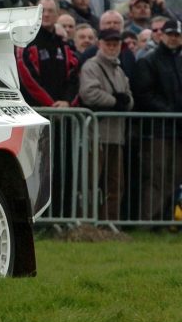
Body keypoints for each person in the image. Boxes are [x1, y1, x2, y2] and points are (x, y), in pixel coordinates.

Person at [17, 0, 80, 218]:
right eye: (43, 11)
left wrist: (67, 103)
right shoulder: (27, 44)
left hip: (64, 118)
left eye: (51, 11)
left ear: (57, 14)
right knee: (40, 169)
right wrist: (50, 104)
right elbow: (28, 79)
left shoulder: (65, 45)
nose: (47, 15)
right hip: (40, 116)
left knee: (64, 168)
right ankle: (40, 217)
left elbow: (75, 75)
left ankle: (62, 215)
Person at [130, 19, 182, 221]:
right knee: (155, 178)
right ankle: (149, 221)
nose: (173, 38)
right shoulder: (148, 61)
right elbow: (144, 94)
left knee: (174, 178)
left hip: (177, 131)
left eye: (177, 35)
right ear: (162, 35)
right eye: (170, 34)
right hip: (156, 130)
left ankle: (167, 219)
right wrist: (169, 111)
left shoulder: (178, 61)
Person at [78, 29, 132, 221]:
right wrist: (113, 101)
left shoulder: (119, 70)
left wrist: (125, 101)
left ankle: (110, 223)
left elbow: (128, 96)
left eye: (115, 44)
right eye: (108, 43)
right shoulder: (91, 67)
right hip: (96, 136)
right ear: (99, 44)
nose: (112, 47)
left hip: (116, 136)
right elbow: (88, 93)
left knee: (115, 183)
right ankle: (86, 222)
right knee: (91, 182)